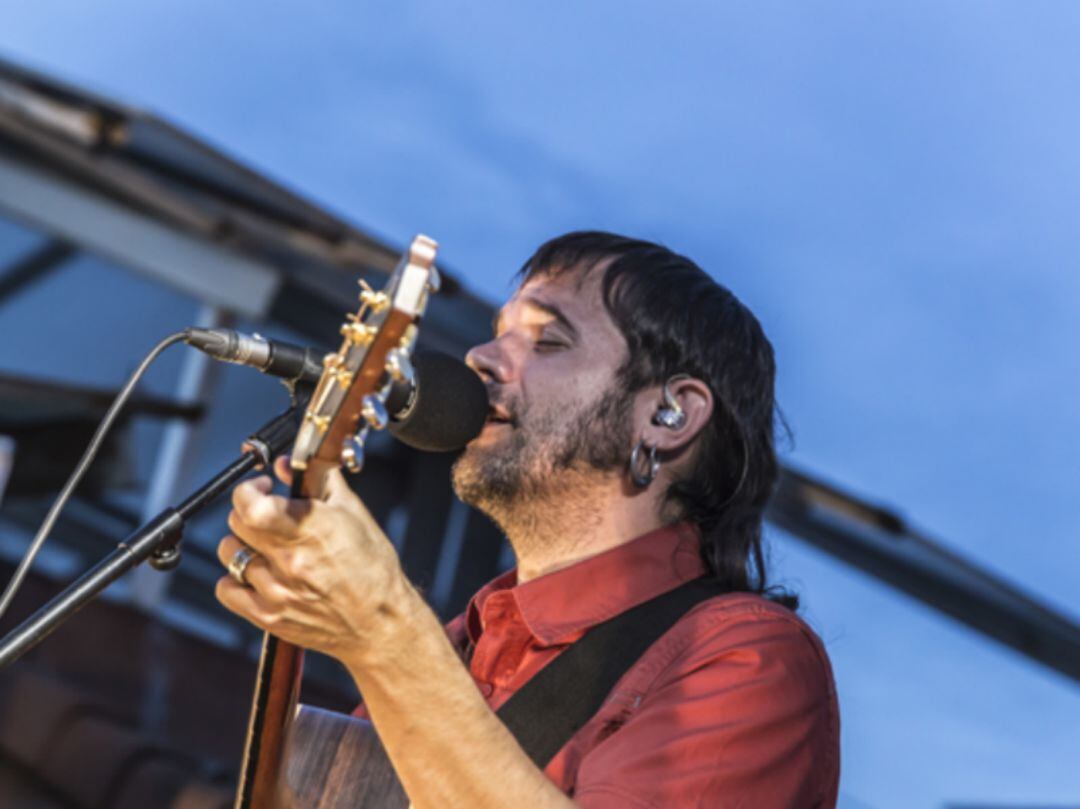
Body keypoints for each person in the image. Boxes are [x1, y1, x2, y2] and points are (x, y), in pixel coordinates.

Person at [215, 231, 840, 808]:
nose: (481, 357)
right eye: (497, 332)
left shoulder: (749, 659)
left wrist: (384, 632)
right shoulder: (463, 645)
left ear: (668, 415)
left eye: (549, 341)